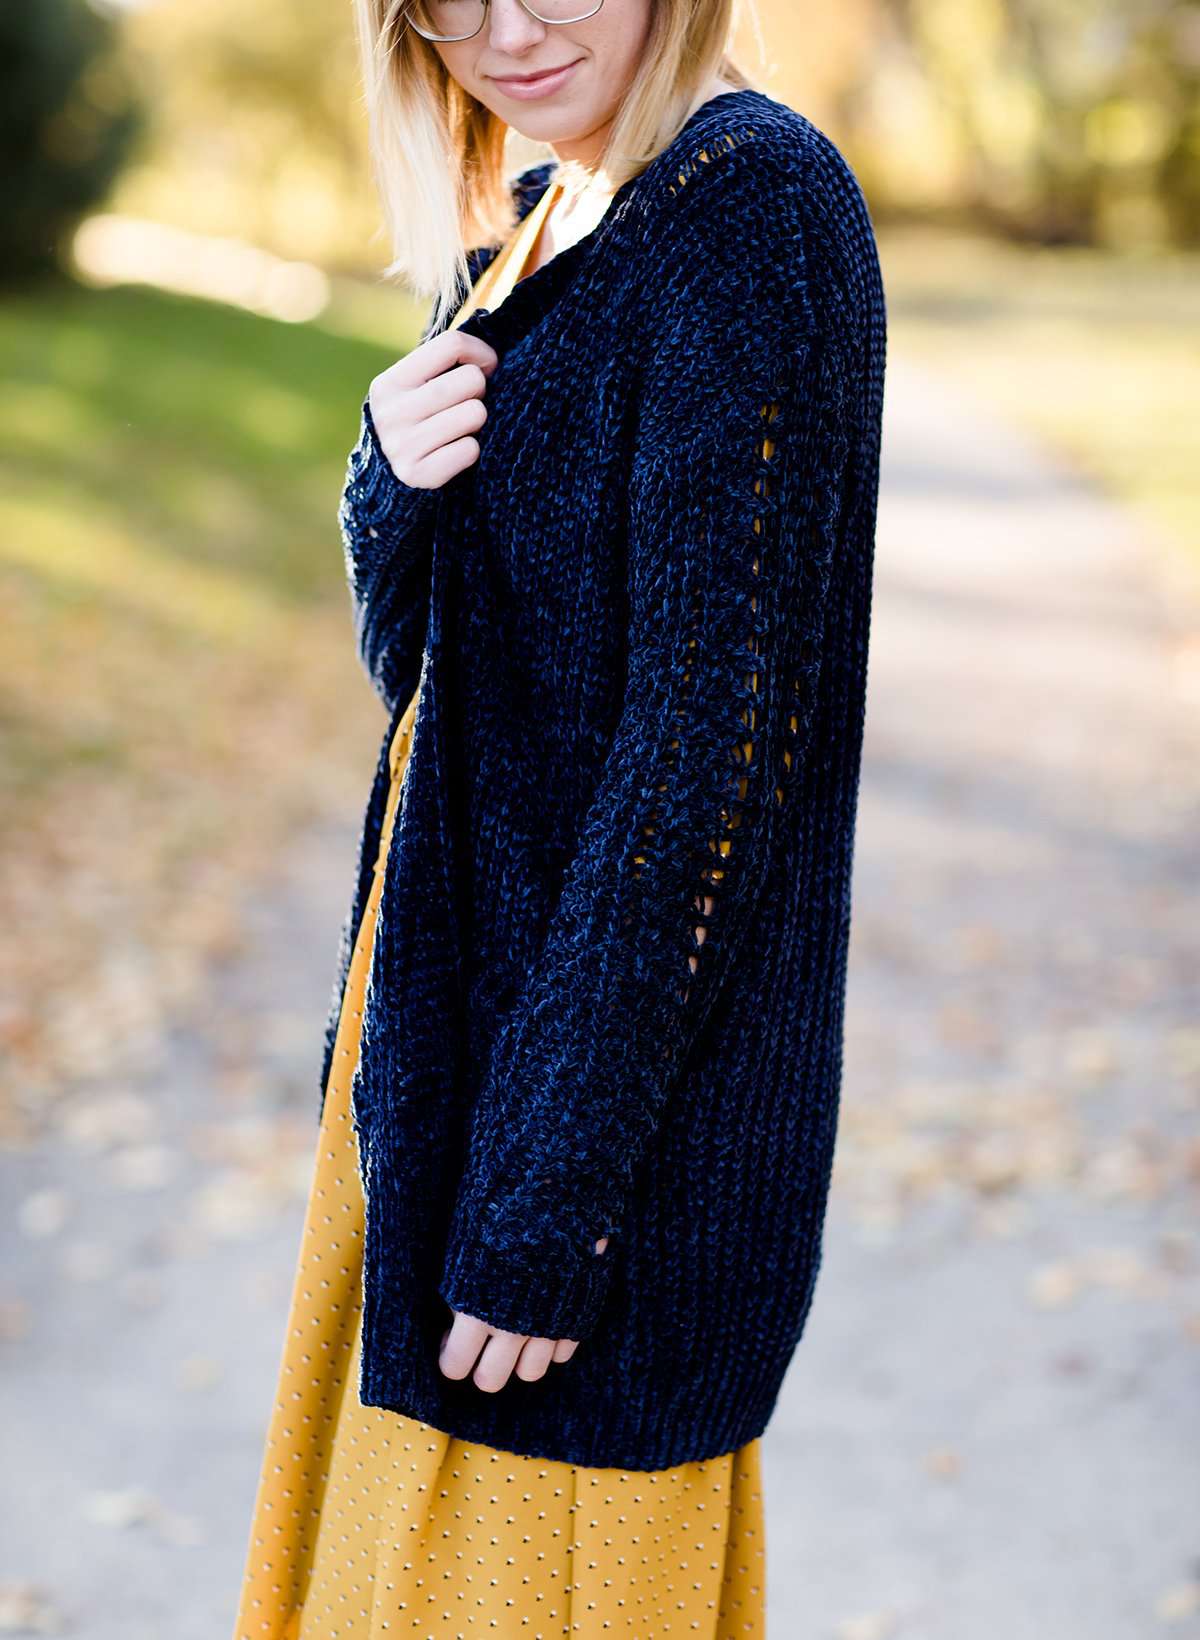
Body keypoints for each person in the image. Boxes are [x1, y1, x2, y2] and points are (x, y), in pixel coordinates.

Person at [232, 0, 887, 1632]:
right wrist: (390, 486)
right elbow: (445, 692)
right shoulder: (539, 218)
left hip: (577, 1150)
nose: (500, 30)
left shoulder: (748, 202)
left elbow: (707, 754)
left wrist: (545, 1202)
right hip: (444, 1077)